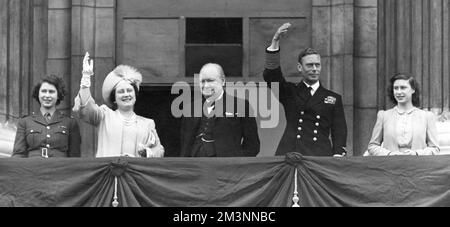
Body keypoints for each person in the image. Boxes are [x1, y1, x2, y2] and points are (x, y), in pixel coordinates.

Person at [264, 23, 347, 157]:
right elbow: (271, 77)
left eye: (317, 65)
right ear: (299, 68)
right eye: (309, 65)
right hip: (291, 154)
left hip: (319, 156)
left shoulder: (333, 98)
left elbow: (339, 130)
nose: (314, 69)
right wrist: (275, 42)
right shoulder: (289, 92)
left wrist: (338, 153)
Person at [73, 52, 164, 158]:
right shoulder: (104, 116)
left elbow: (159, 150)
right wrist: (85, 78)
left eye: (129, 90)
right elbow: (86, 108)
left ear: (135, 95)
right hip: (108, 173)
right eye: (121, 92)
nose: (126, 94)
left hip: (134, 173)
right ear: (114, 99)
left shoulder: (147, 124)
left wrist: (147, 152)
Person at [180, 63, 260, 157]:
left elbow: (253, 145)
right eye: (202, 81)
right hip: (196, 167)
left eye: (210, 81)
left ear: (222, 81)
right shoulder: (190, 108)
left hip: (226, 168)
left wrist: (236, 163)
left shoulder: (241, 105)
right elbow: (184, 144)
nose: (206, 85)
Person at [367, 73, 440, 156]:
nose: (399, 92)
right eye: (395, 88)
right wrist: (389, 154)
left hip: (418, 167)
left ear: (413, 89)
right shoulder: (383, 116)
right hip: (390, 166)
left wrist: (416, 153)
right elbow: (372, 146)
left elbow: (435, 148)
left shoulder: (427, 116)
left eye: (403, 88)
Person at [12, 75, 81, 158]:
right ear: (38, 94)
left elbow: (74, 157)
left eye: (51, 92)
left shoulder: (70, 123)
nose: (47, 95)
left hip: (59, 169)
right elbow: (18, 155)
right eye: (44, 91)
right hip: (33, 169)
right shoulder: (25, 122)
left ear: (58, 95)